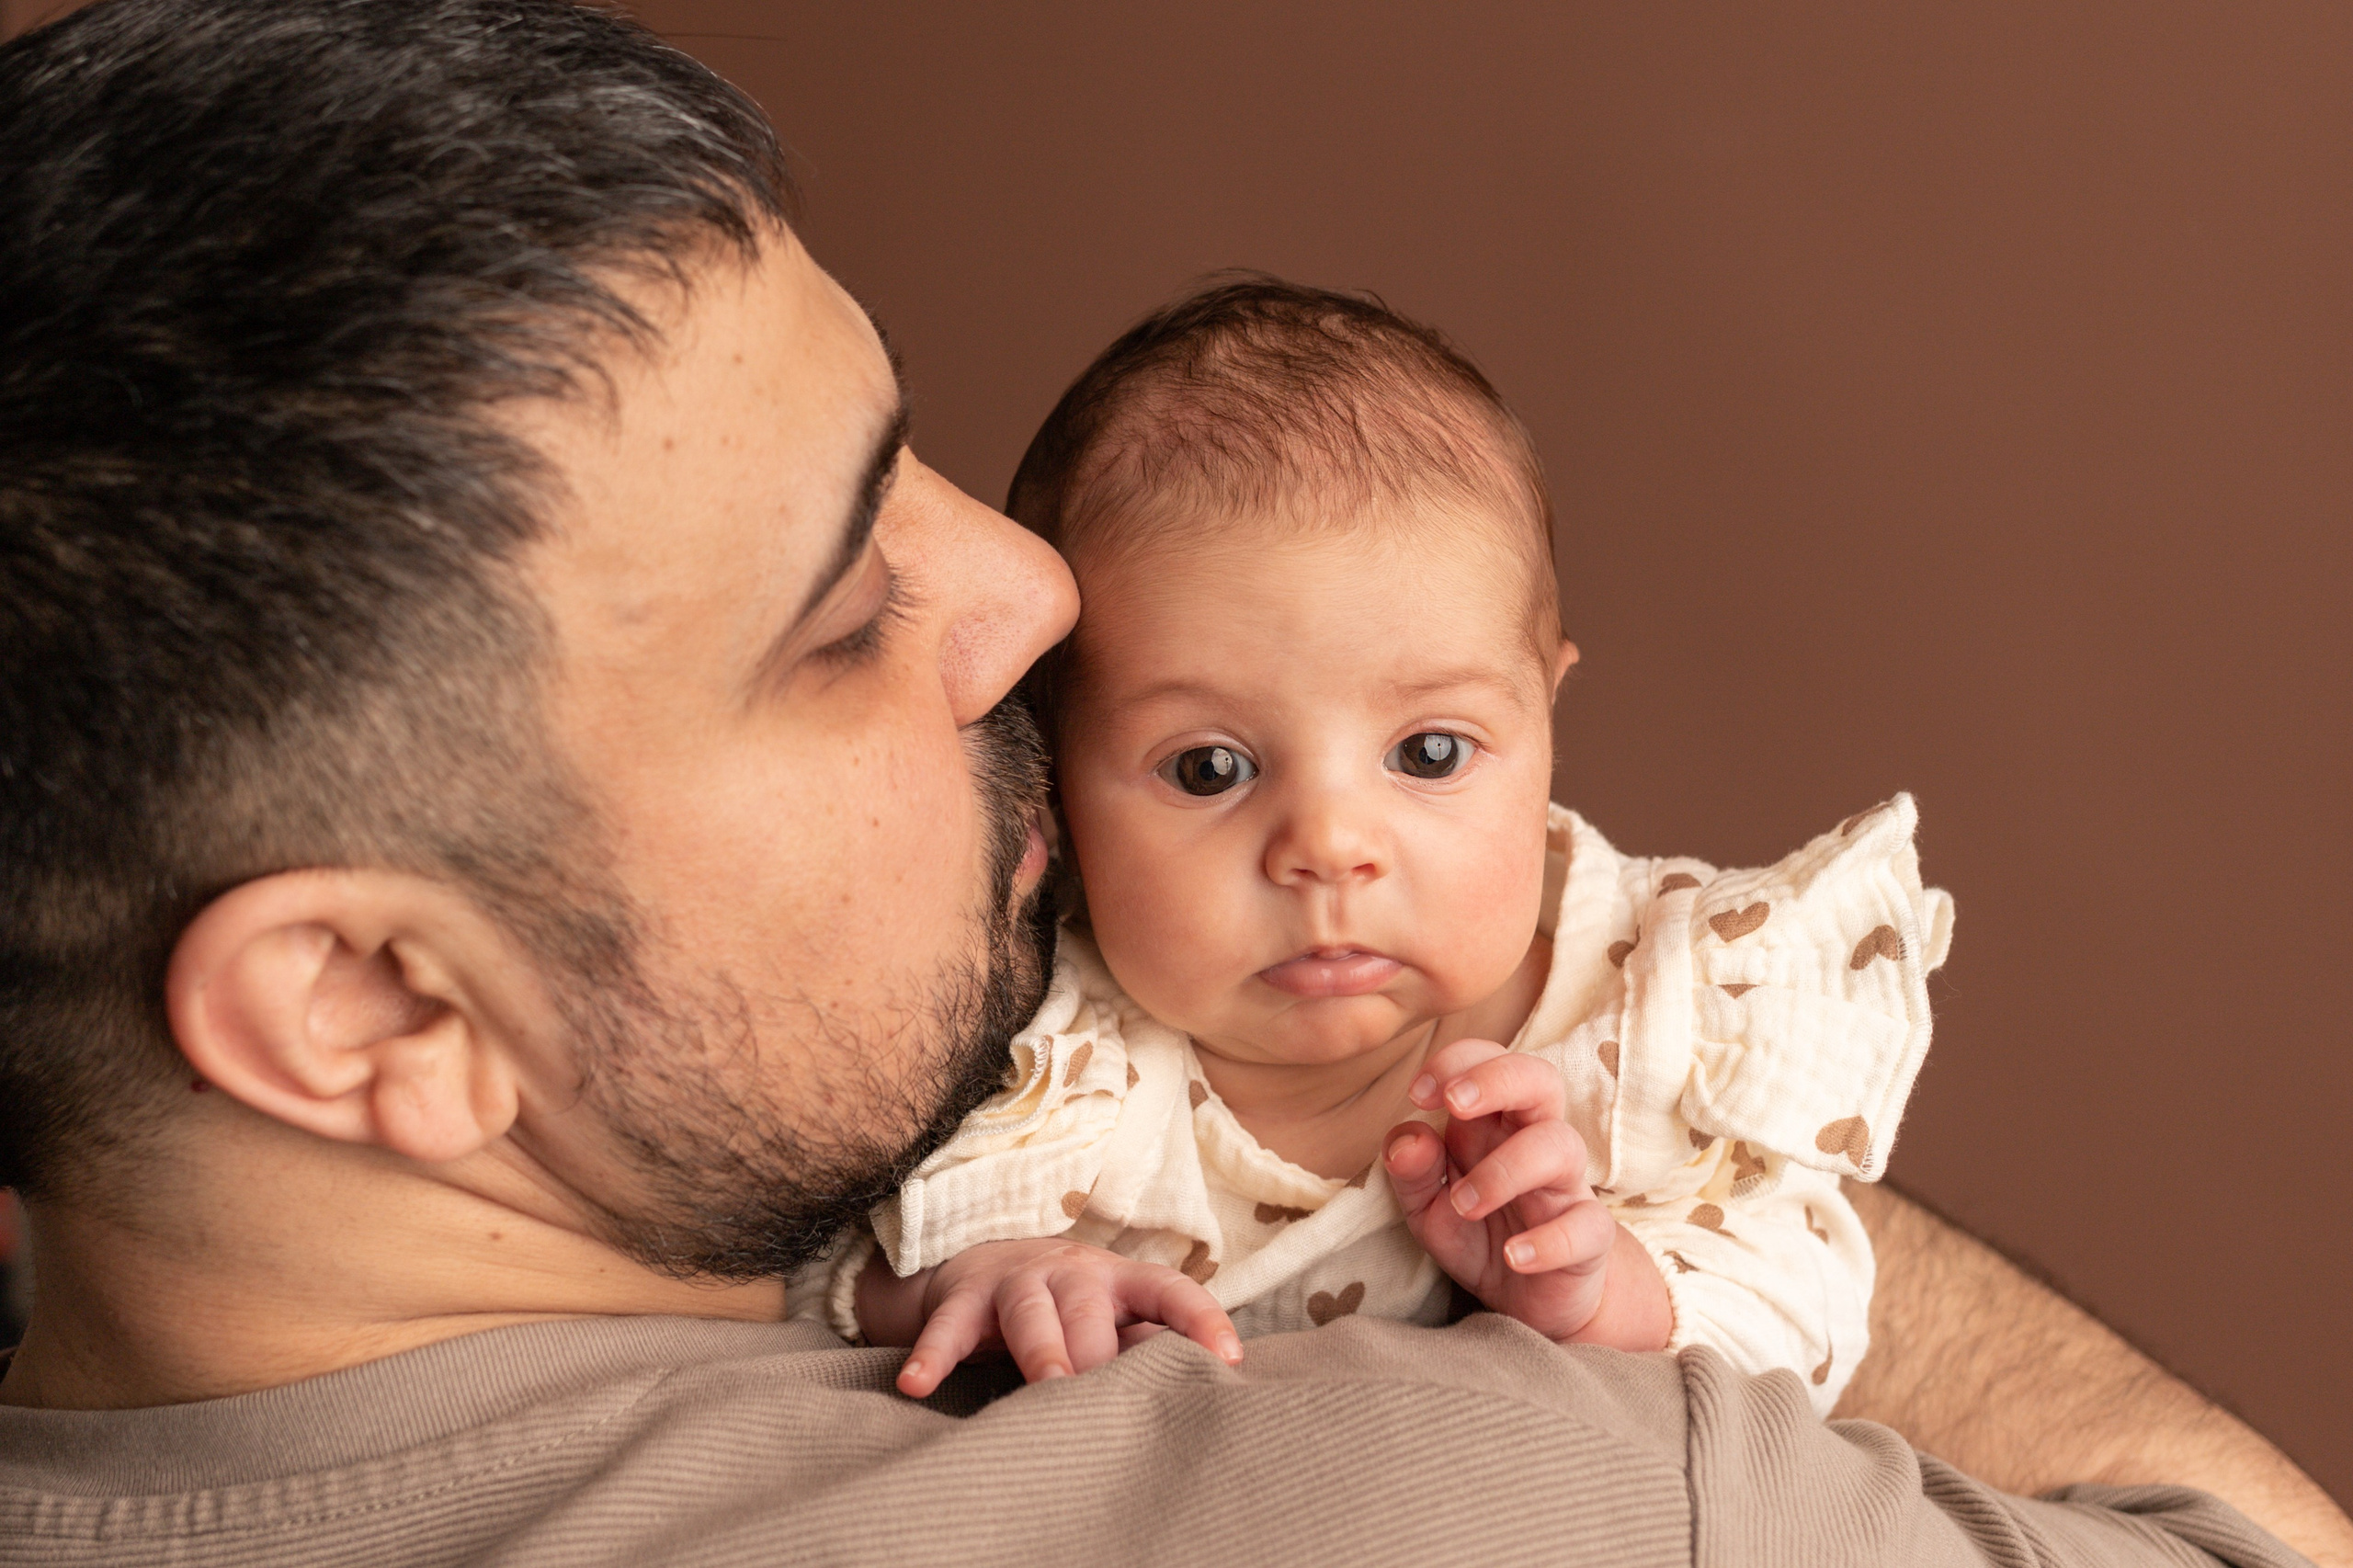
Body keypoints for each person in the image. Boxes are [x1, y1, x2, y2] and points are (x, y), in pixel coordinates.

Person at [0, 2, 2343, 1564]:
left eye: (919, 468)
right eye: (840, 611)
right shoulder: (1475, 1489)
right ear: (367, 1007)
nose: (1026, 586)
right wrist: (1559, 1094)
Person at [828, 281, 1956, 1421]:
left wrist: (1608, 1290)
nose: (1328, 848)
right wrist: (968, 1278)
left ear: (1542, 719)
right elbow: (821, 1251)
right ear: (1058, 786)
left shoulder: (1637, 1012)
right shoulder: (1041, 1039)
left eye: (1426, 752)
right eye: (1208, 768)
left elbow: (1813, 1308)